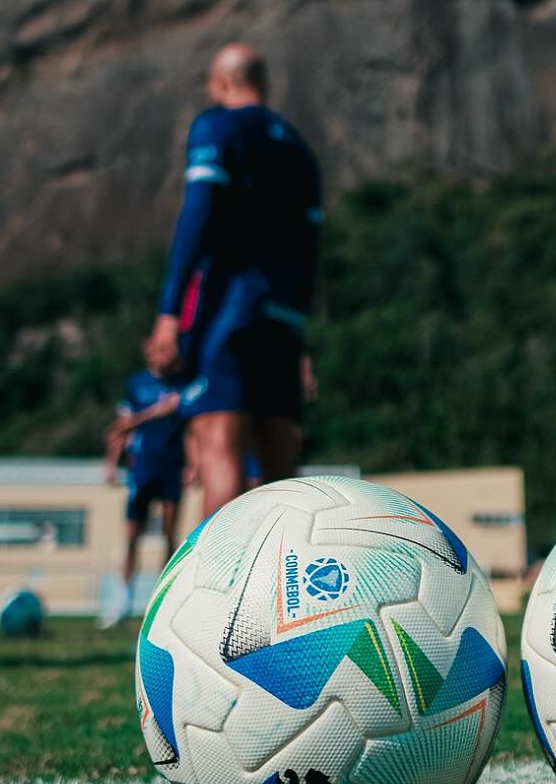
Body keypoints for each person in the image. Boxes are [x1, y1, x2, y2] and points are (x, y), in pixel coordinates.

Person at [146, 42, 323, 516]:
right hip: (283, 320)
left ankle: (217, 588)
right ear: (263, 83)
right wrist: (298, 335)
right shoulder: (300, 150)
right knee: (281, 471)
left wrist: (168, 313)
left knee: (217, 449)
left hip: (229, 310)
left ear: (220, 83)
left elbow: (197, 215)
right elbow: (309, 249)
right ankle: (288, 586)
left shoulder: (217, 126)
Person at [100, 357, 183, 628]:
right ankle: (122, 600)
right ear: (148, 350)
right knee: (132, 535)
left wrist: (194, 463)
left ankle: (164, 603)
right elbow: (121, 427)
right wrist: (112, 464)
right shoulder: (136, 384)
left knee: (170, 536)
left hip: (172, 465)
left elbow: (191, 428)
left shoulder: (182, 382)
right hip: (142, 467)